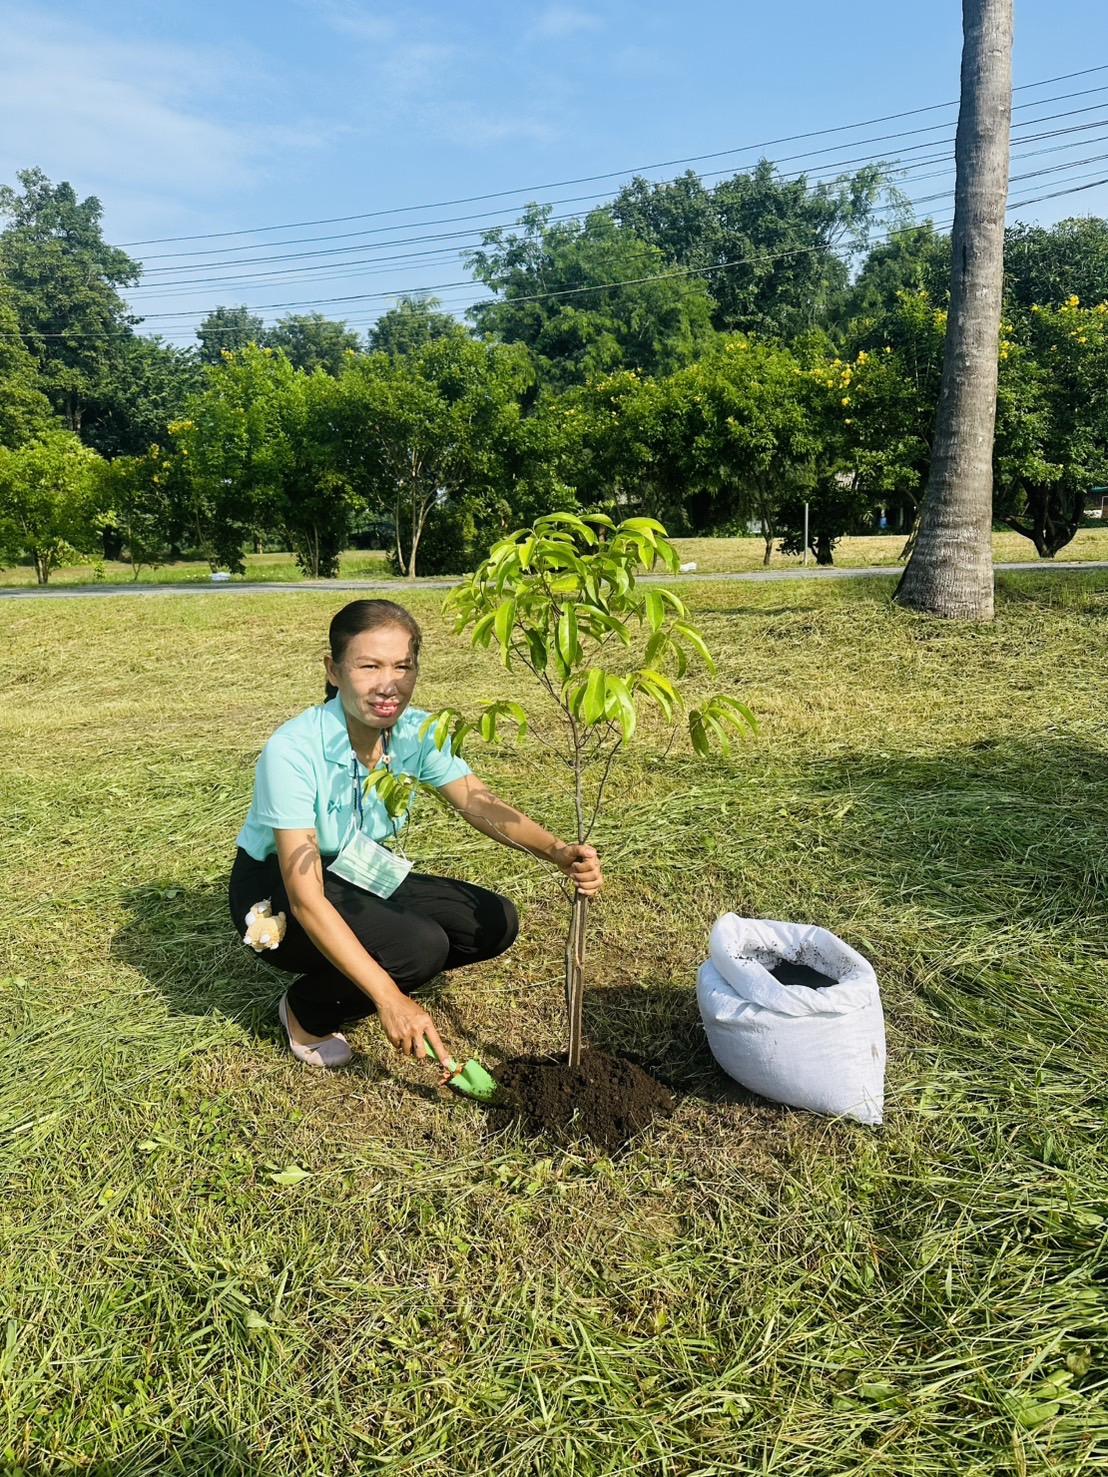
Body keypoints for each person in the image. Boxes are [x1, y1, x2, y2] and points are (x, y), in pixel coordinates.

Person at [229, 599, 603, 1070]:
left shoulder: (417, 731)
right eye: (369, 666)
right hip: (278, 885)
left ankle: (368, 967)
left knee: (492, 922)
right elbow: (305, 898)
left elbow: (477, 801)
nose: (389, 684)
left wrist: (557, 851)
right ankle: (307, 1010)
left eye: (403, 666)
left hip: (354, 866)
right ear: (333, 670)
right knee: (417, 947)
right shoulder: (293, 750)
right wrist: (389, 998)